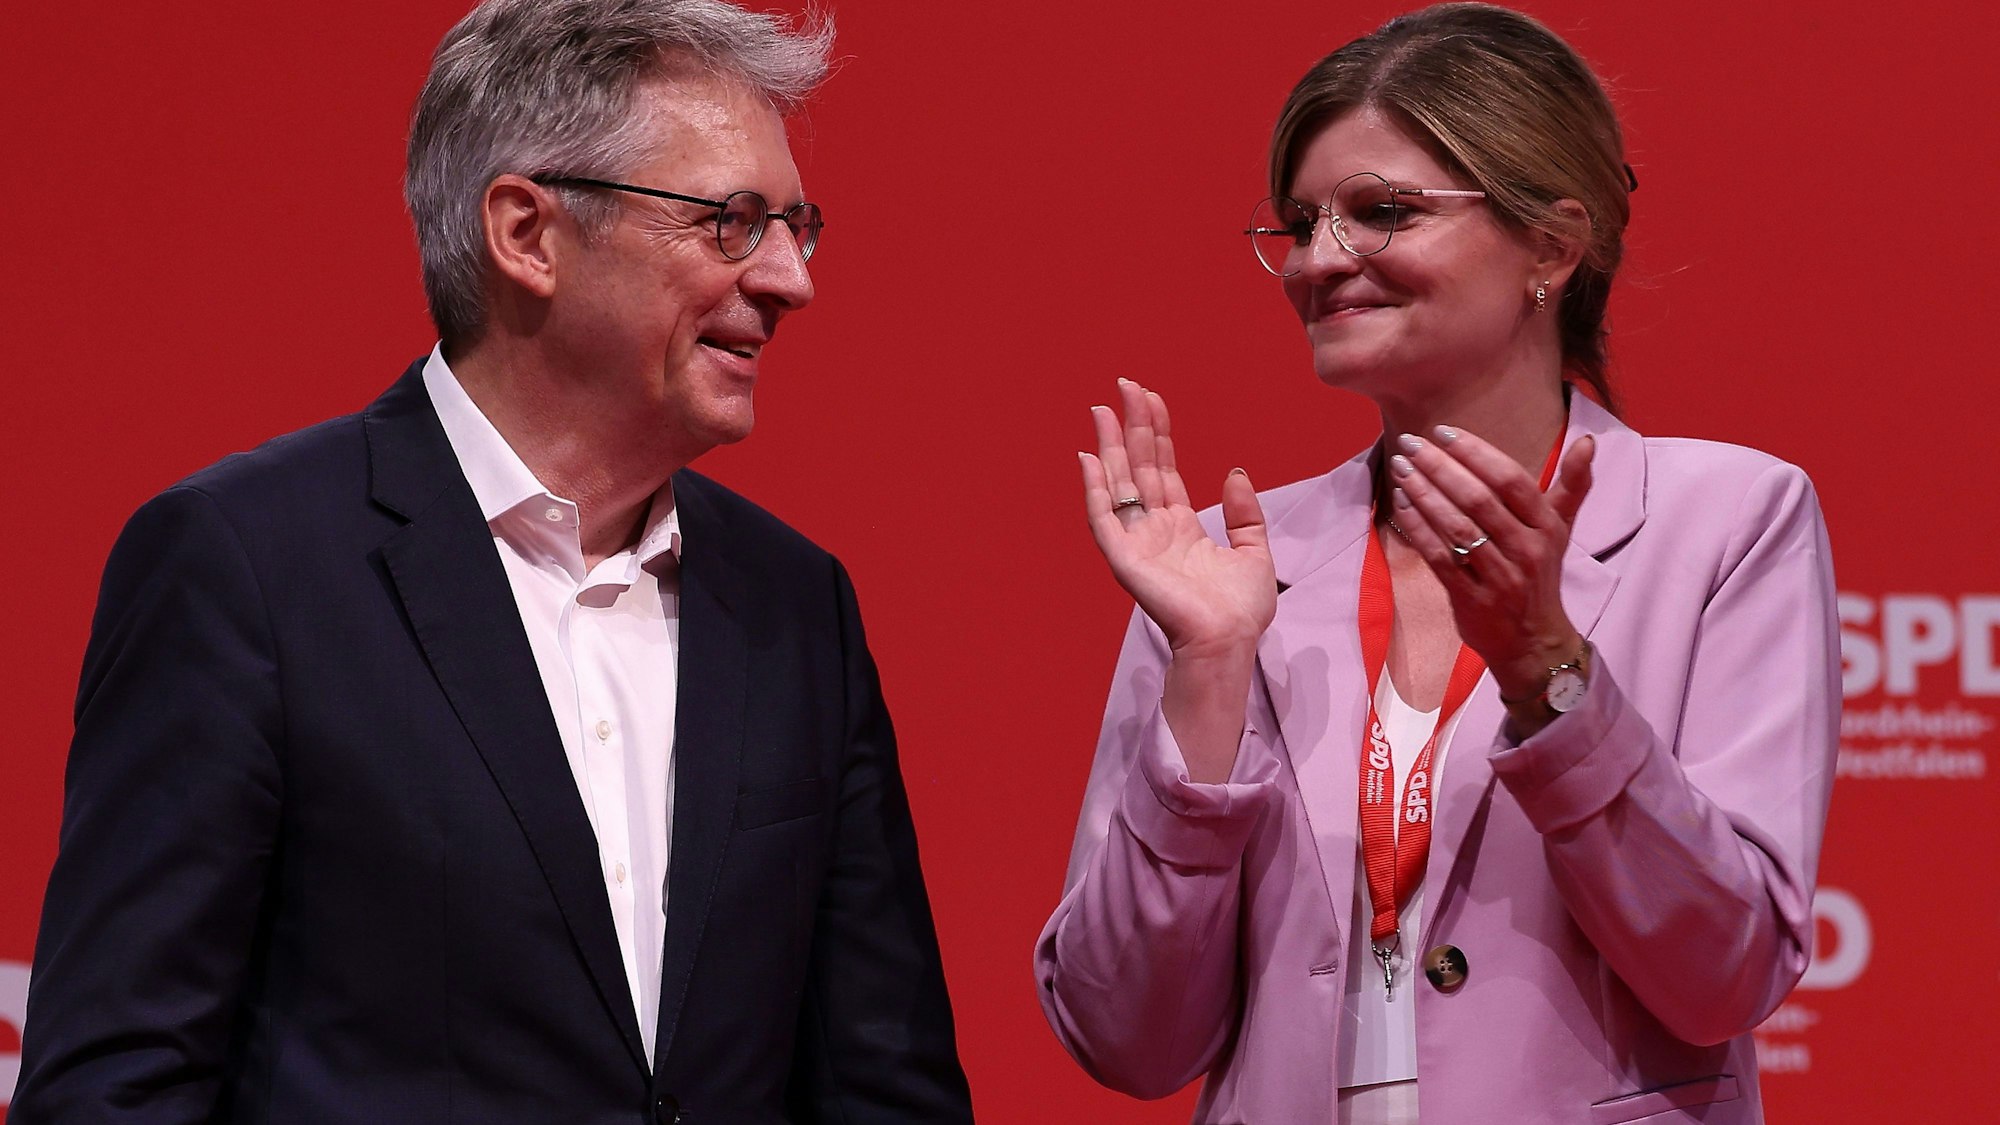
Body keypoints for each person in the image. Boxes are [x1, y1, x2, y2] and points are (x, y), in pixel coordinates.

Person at [13, 1, 972, 1121]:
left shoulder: (794, 605)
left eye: (794, 225)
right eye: (730, 221)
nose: (786, 279)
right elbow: (113, 1087)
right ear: (526, 234)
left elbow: (883, 1087)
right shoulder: (247, 570)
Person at [1035, 5, 1837, 1124]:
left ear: (1552, 244)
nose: (1319, 261)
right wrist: (1210, 671)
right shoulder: (1224, 566)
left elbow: (1728, 973)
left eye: (1380, 214)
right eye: (1300, 223)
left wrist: (1548, 674)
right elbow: (1125, 1038)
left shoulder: (1728, 521)